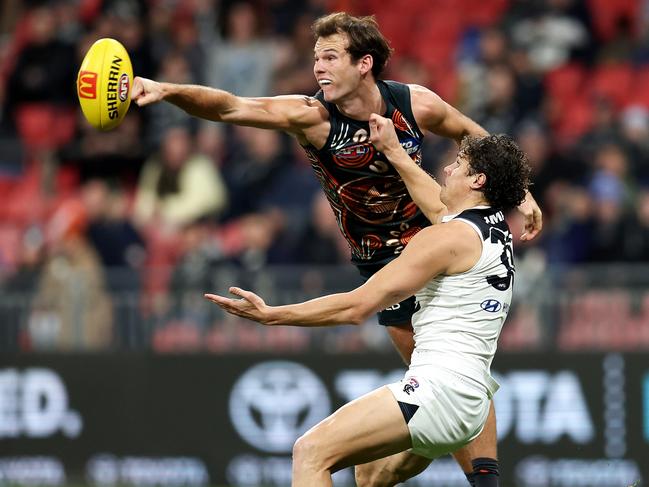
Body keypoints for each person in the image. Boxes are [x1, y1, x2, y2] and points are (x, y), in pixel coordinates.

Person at [131, 12, 542, 486]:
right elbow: (228, 107)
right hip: (390, 257)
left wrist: (520, 191)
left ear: (364, 63)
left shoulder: (413, 103)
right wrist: (166, 90)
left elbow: (472, 136)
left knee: (442, 378)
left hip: (443, 237)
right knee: (384, 458)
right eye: (315, 58)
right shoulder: (311, 116)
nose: (318, 68)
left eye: (330, 57)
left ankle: (485, 479)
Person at [205, 116, 531, 487]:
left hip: (437, 393)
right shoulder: (493, 230)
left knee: (310, 452)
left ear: (478, 181)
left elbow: (356, 307)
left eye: (459, 165)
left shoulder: (446, 239)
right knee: (370, 474)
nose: (446, 168)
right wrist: (394, 151)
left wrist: (273, 315)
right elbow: (438, 206)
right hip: (471, 405)